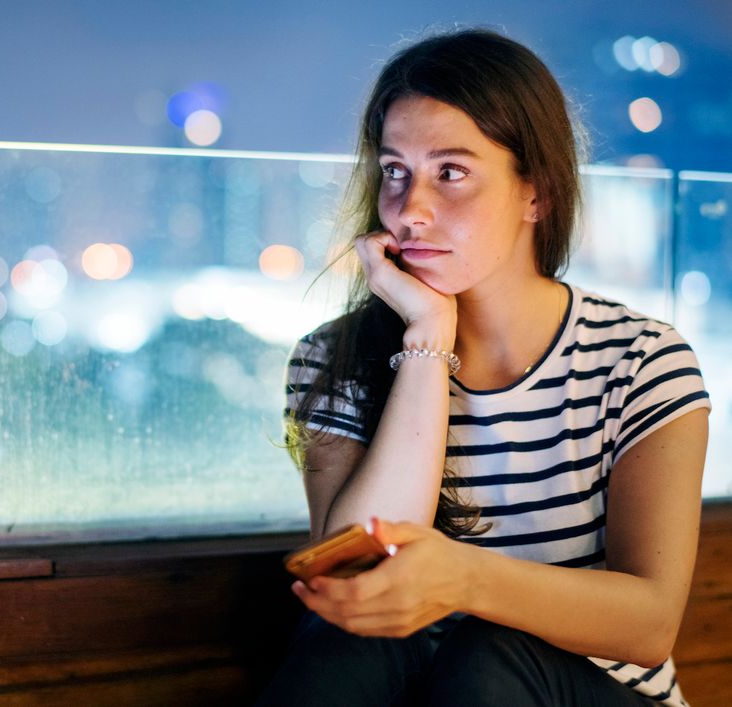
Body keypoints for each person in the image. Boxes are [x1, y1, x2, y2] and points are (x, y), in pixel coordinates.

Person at [256, 28, 710, 707]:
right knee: (352, 638)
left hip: (599, 694)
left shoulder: (639, 359)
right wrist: (428, 338)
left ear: (539, 193)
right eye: (394, 171)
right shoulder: (333, 361)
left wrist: (463, 579)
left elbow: (649, 624)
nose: (411, 209)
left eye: (452, 172)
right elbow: (354, 580)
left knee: (490, 653)